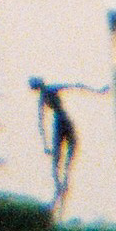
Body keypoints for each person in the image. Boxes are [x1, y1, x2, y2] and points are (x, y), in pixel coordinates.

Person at [31, 76, 80, 207]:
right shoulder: (43, 97)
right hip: (61, 121)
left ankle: (62, 184)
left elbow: (74, 85)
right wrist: (45, 144)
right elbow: (40, 121)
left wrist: (97, 90)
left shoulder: (50, 91)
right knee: (58, 160)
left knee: (63, 156)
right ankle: (60, 187)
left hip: (61, 121)